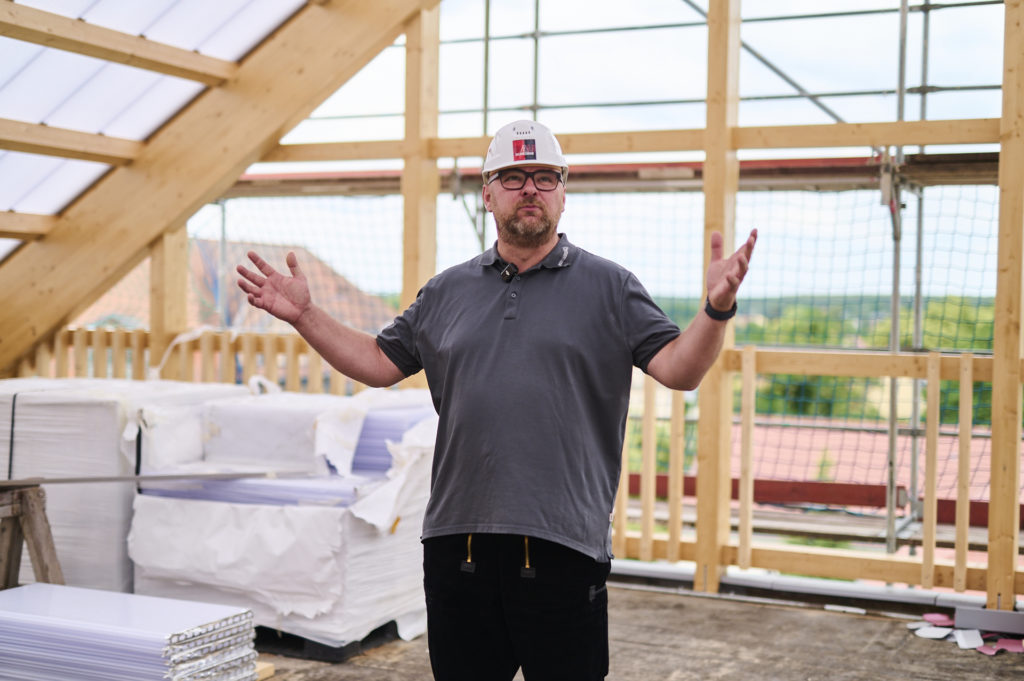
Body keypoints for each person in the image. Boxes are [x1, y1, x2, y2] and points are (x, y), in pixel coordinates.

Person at [237, 119, 756, 681]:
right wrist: (305, 316)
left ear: (563, 193)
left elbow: (680, 370)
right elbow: (379, 362)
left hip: (564, 544)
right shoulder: (446, 292)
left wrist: (716, 310)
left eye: (544, 177)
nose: (530, 188)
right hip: (457, 545)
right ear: (487, 194)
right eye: (512, 177)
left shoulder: (612, 288)